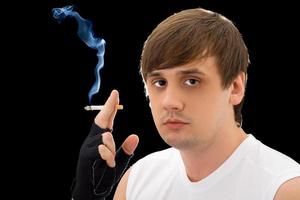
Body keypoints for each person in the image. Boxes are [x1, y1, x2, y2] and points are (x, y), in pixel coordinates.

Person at [71, 8, 300, 200]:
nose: (170, 102)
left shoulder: (283, 189)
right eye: (159, 82)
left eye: (192, 81)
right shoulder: (137, 181)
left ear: (235, 87)